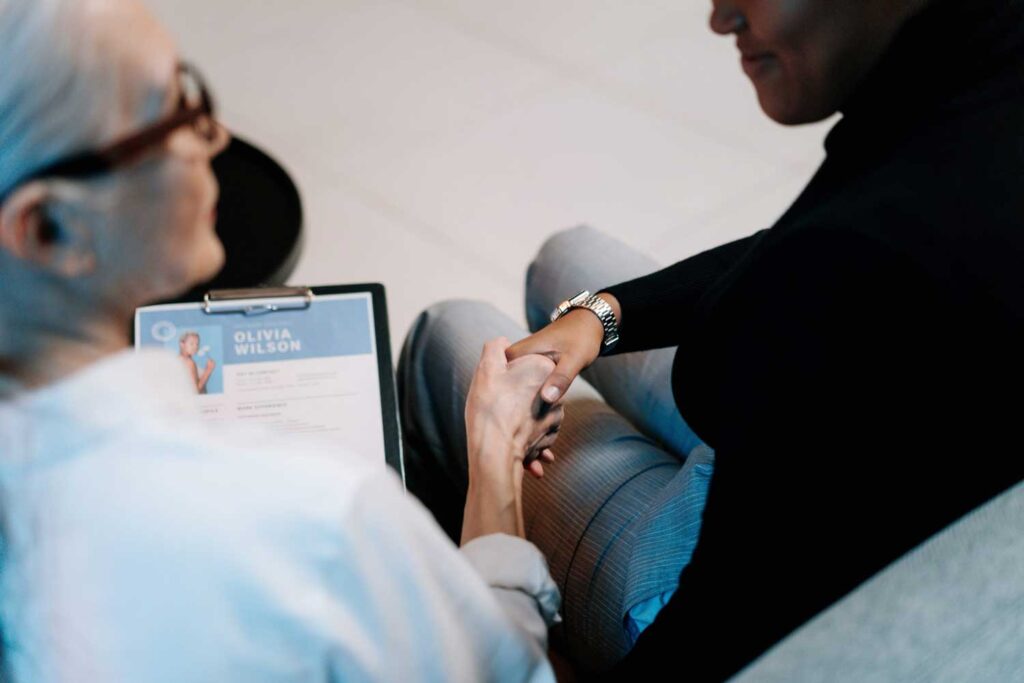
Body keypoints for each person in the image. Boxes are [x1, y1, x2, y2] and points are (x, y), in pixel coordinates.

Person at [400, 0, 1024, 679]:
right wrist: (601, 315)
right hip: (847, 462)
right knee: (566, 257)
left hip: (760, 600)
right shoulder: (975, 92)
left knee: (446, 334)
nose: (720, 18)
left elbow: (706, 646)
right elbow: (806, 244)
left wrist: (493, 455)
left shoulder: (843, 273)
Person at [0, 1, 563, 680]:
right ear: (46, 229)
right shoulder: (320, 520)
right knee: (450, 331)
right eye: (173, 110)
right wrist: (495, 451)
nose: (214, 135)